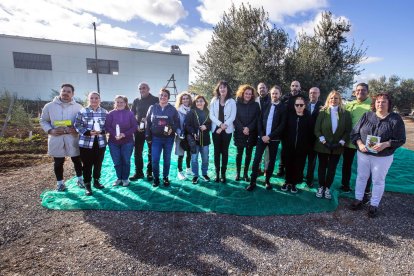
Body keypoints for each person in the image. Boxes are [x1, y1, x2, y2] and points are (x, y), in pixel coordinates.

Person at [350, 93, 405, 217]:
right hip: (363, 154)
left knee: (378, 180)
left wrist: (386, 144)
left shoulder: (395, 119)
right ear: (374, 103)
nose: (380, 104)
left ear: (389, 104)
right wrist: (359, 143)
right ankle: (358, 199)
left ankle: (374, 205)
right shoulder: (367, 115)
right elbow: (355, 132)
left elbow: (401, 139)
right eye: (378, 101)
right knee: (361, 177)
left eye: (383, 102)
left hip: (382, 157)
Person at [40, 83, 83, 191]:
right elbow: (43, 120)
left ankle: (80, 179)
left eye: (68, 92)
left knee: (77, 160)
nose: (65, 93)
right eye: (64, 91)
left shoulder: (78, 107)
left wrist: (76, 129)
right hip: (56, 138)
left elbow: (83, 122)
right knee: (58, 162)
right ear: (60, 92)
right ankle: (60, 183)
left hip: (72, 137)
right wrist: (50, 130)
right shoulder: (49, 106)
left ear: (73, 94)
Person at [246, 85, 287, 191]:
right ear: (270, 94)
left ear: (280, 94)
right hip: (262, 137)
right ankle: (253, 181)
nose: (274, 95)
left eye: (276, 93)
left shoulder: (283, 107)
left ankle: (267, 181)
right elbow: (259, 120)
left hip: (274, 139)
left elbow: (282, 125)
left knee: (271, 161)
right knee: (256, 160)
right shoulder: (265, 104)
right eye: (273, 93)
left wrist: (270, 136)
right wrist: (262, 135)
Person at [314, 90, 351, 199]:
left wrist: (341, 142)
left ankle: (327, 188)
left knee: (332, 168)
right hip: (323, 145)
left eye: (336, 98)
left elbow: (347, 131)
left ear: (340, 100)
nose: (333, 100)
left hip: (337, 147)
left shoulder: (346, 113)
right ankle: (321, 187)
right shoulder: (323, 112)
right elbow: (317, 129)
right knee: (322, 167)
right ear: (328, 100)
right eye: (331, 98)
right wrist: (324, 141)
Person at [341, 83, 372, 198]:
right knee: (346, 165)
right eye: (358, 90)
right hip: (349, 142)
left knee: (365, 168)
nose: (360, 92)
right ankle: (345, 185)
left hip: (364, 143)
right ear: (354, 92)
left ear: (367, 92)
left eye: (363, 90)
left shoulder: (372, 105)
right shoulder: (350, 104)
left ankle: (366, 190)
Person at [74, 91, 108, 196]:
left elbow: (108, 125)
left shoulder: (104, 112)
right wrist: (88, 132)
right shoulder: (82, 111)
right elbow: (77, 125)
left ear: (99, 100)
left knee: (98, 163)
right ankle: (87, 184)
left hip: (100, 142)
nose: (94, 100)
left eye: (96, 98)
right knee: (87, 164)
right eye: (92, 98)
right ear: (89, 99)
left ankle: (96, 181)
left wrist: (102, 131)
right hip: (86, 143)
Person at [146, 88, 180, 187]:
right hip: (156, 138)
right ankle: (156, 178)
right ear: (158, 96)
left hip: (168, 139)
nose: (163, 97)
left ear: (168, 97)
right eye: (161, 95)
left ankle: (165, 177)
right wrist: (148, 135)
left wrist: (172, 129)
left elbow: (177, 122)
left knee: (167, 159)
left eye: (165, 95)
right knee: (155, 159)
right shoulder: (152, 107)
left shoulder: (172, 109)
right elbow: (148, 122)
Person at [281, 96, 314, 193]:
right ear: (294, 106)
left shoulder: (308, 117)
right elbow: (284, 130)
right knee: (288, 164)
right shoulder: (289, 115)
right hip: (289, 146)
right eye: (297, 105)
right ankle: (287, 181)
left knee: (298, 165)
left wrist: (307, 146)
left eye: (301, 105)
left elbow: (311, 133)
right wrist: (285, 143)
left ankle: (294, 183)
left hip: (302, 148)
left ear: (305, 106)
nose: (299, 107)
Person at [105, 95, 137, 187]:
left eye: (121, 102)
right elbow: (107, 127)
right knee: (116, 160)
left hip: (127, 141)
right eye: (117, 102)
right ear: (115, 103)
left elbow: (134, 127)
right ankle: (119, 178)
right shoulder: (111, 114)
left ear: (125, 103)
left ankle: (125, 178)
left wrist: (124, 134)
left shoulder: (130, 113)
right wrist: (115, 134)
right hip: (113, 142)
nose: (119, 104)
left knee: (126, 160)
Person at [277, 80, 308, 177]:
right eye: (293, 86)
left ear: (300, 88)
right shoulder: (285, 97)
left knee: (297, 151)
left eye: (296, 86)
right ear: (290, 87)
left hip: (298, 128)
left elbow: (305, 112)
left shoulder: (303, 98)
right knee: (284, 150)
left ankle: (297, 171)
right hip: (285, 128)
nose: (294, 87)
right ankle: (281, 168)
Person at [130, 82, 159, 181]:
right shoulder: (136, 101)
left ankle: (149, 172)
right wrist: (136, 125)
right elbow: (132, 115)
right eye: (140, 88)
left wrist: (148, 120)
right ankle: (138, 172)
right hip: (139, 129)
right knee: (137, 152)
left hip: (151, 129)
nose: (142, 90)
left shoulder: (155, 100)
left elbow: (158, 113)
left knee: (152, 151)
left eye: (144, 88)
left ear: (148, 89)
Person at [209, 80, 237, 183]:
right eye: (220, 87)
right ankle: (217, 174)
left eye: (224, 87)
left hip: (227, 130)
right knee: (217, 152)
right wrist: (220, 125)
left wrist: (223, 127)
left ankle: (223, 175)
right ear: (218, 89)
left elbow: (232, 116)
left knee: (224, 152)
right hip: (216, 130)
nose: (222, 89)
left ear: (227, 89)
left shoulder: (232, 101)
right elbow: (211, 115)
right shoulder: (214, 100)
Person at [234, 84, 260, 181]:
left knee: (248, 154)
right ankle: (238, 173)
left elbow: (257, 118)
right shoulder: (236, 104)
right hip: (239, 132)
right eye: (246, 93)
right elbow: (235, 118)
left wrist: (248, 128)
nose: (248, 95)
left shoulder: (256, 105)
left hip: (251, 132)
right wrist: (242, 128)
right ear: (242, 93)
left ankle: (245, 174)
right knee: (239, 154)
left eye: (250, 94)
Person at [185, 95, 212, 184]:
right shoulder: (191, 112)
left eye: (201, 101)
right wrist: (193, 132)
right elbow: (187, 125)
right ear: (195, 103)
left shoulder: (209, 112)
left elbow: (212, 125)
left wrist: (206, 126)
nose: (199, 103)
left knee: (205, 158)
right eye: (197, 101)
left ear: (205, 102)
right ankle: (195, 175)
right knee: (194, 158)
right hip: (194, 140)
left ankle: (204, 174)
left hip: (205, 140)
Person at [305, 87, 323, 187]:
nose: (312, 94)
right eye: (311, 93)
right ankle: (299, 176)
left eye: (315, 93)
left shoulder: (323, 106)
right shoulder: (304, 104)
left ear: (319, 94)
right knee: (301, 159)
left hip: (315, 139)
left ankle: (309, 179)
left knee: (312, 161)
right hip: (303, 138)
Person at [174, 91, 193, 180]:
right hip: (180, 136)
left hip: (190, 136)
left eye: (187, 98)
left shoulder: (192, 110)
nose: (185, 100)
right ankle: (180, 171)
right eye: (183, 98)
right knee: (181, 154)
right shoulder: (177, 111)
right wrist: (179, 133)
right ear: (181, 100)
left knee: (189, 153)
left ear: (189, 100)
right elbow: (175, 124)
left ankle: (188, 169)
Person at [256, 82, 270, 175]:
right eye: (260, 88)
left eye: (263, 88)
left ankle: (266, 169)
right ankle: (258, 168)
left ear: (267, 89)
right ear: (257, 90)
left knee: (267, 152)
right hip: (258, 129)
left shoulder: (271, 99)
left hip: (269, 130)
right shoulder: (255, 100)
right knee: (258, 152)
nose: (262, 89)